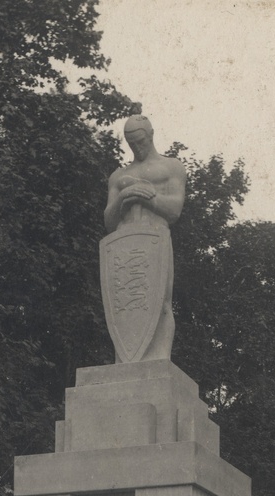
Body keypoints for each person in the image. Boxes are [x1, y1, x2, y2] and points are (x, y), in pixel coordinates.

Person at [103, 115, 186, 360]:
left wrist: (146, 197)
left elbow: (174, 210)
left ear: (150, 135)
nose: (137, 148)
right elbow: (109, 221)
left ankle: (159, 360)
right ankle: (126, 360)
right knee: (125, 304)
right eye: (131, 143)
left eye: (140, 141)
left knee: (160, 303)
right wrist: (122, 197)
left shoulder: (171, 167)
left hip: (155, 240)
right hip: (125, 245)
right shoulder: (118, 176)